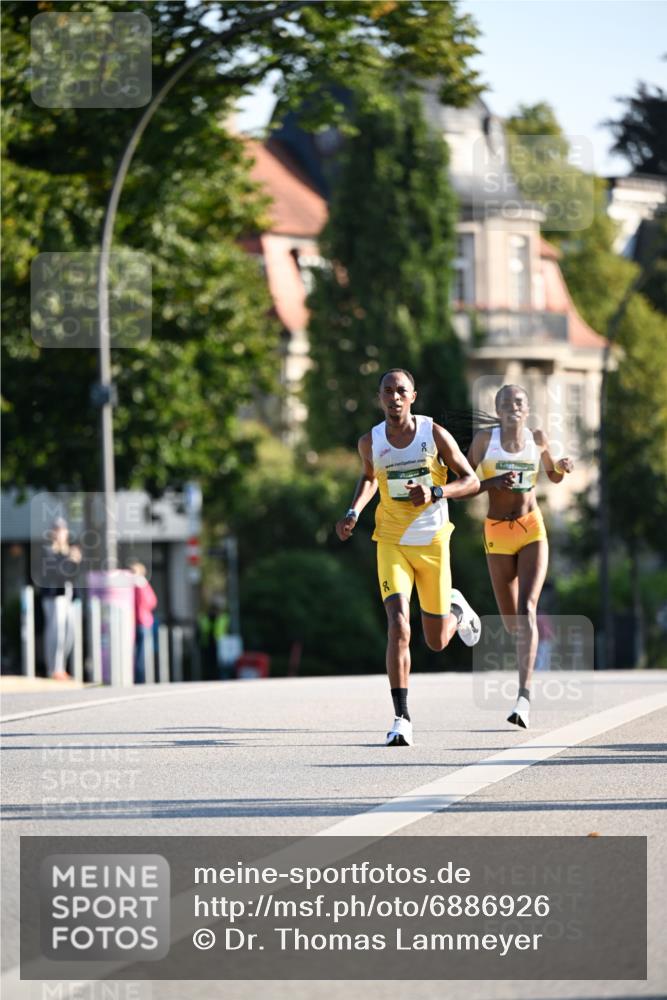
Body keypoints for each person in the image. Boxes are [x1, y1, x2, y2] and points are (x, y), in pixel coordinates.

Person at [336, 368, 481, 747]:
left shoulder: (434, 434)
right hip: (391, 542)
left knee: (436, 641)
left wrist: (436, 492)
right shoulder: (370, 441)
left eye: (401, 391)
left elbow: (472, 481)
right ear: (380, 397)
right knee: (399, 626)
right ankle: (401, 718)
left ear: (413, 397)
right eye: (388, 391)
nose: (394, 397)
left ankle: (457, 610)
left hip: (432, 543)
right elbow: (370, 477)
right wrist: (353, 511)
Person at [468, 384, 573, 728]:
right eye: (506, 402)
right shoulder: (484, 441)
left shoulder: (537, 438)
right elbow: (463, 484)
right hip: (497, 531)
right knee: (512, 622)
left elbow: (552, 475)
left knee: (527, 609)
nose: (513, 406)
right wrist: (493, 482)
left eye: (519, 402)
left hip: (531, 528)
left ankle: (523, 698)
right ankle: (464, 612)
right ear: (497, 409)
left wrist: (561, 466)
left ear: (527, 409)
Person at [40, 518, 81, 680]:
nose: (60, 533)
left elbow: (74, 575)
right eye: (57, 530)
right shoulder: (47, 551)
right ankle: (54, 668)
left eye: (62, 530)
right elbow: (56, 572)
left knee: (70, 633)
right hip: (54, 596)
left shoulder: (69, 551)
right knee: (56, 633)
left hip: (69, 596)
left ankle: (62, 667)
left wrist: (75, 560)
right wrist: (69, 559)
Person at [129, 562, 158, 684]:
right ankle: (140, 679)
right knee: (142, 654)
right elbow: (152, 602)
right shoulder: (141, 584)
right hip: (142, 622)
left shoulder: (131, 585)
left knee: (136, 653)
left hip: (134, 623)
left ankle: (136, 677)